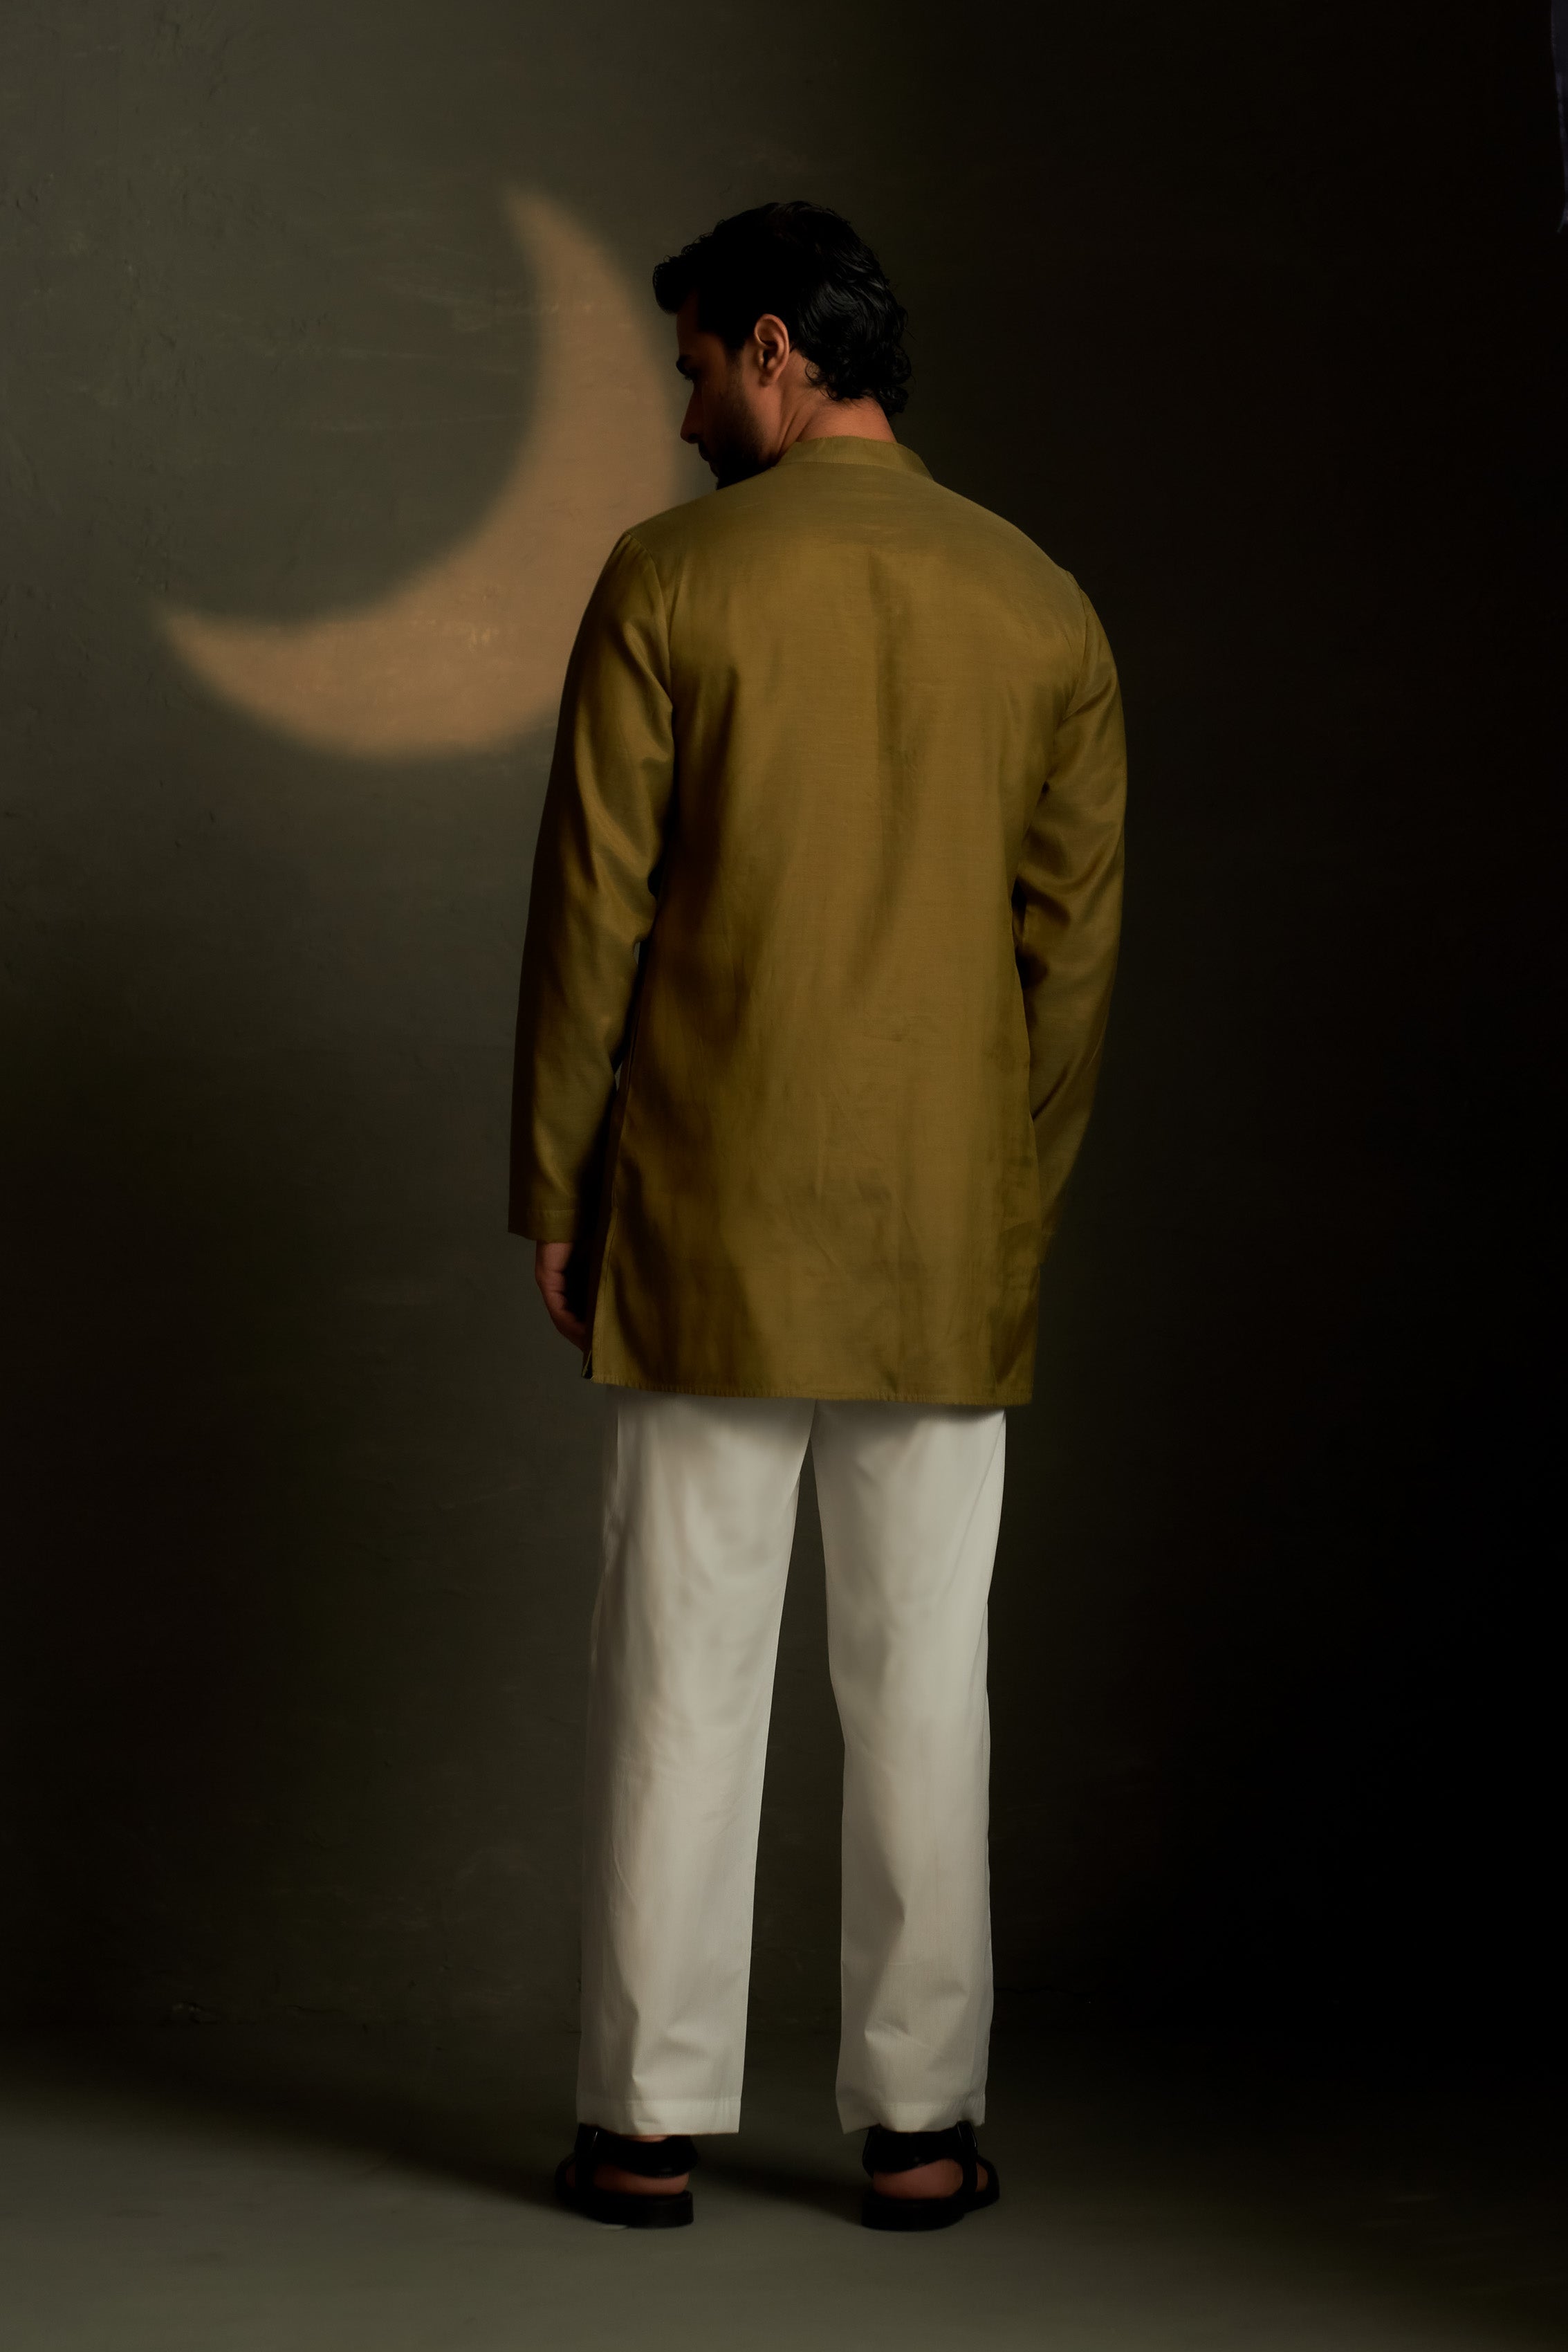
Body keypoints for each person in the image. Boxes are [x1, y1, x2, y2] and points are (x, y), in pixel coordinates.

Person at [509, 200, 1125, 2232]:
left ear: (775, 350)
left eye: (695, 365)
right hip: (944, 1236)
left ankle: (643, 2129)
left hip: (702, 1213)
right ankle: (921, 2132)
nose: (685, 409)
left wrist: (555, 1183)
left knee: (678, 1674)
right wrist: (1006, 1201)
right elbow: (1070, 962)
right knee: (925, 1685)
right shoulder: (1040, 604)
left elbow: (592, 917)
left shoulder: (670, 578)